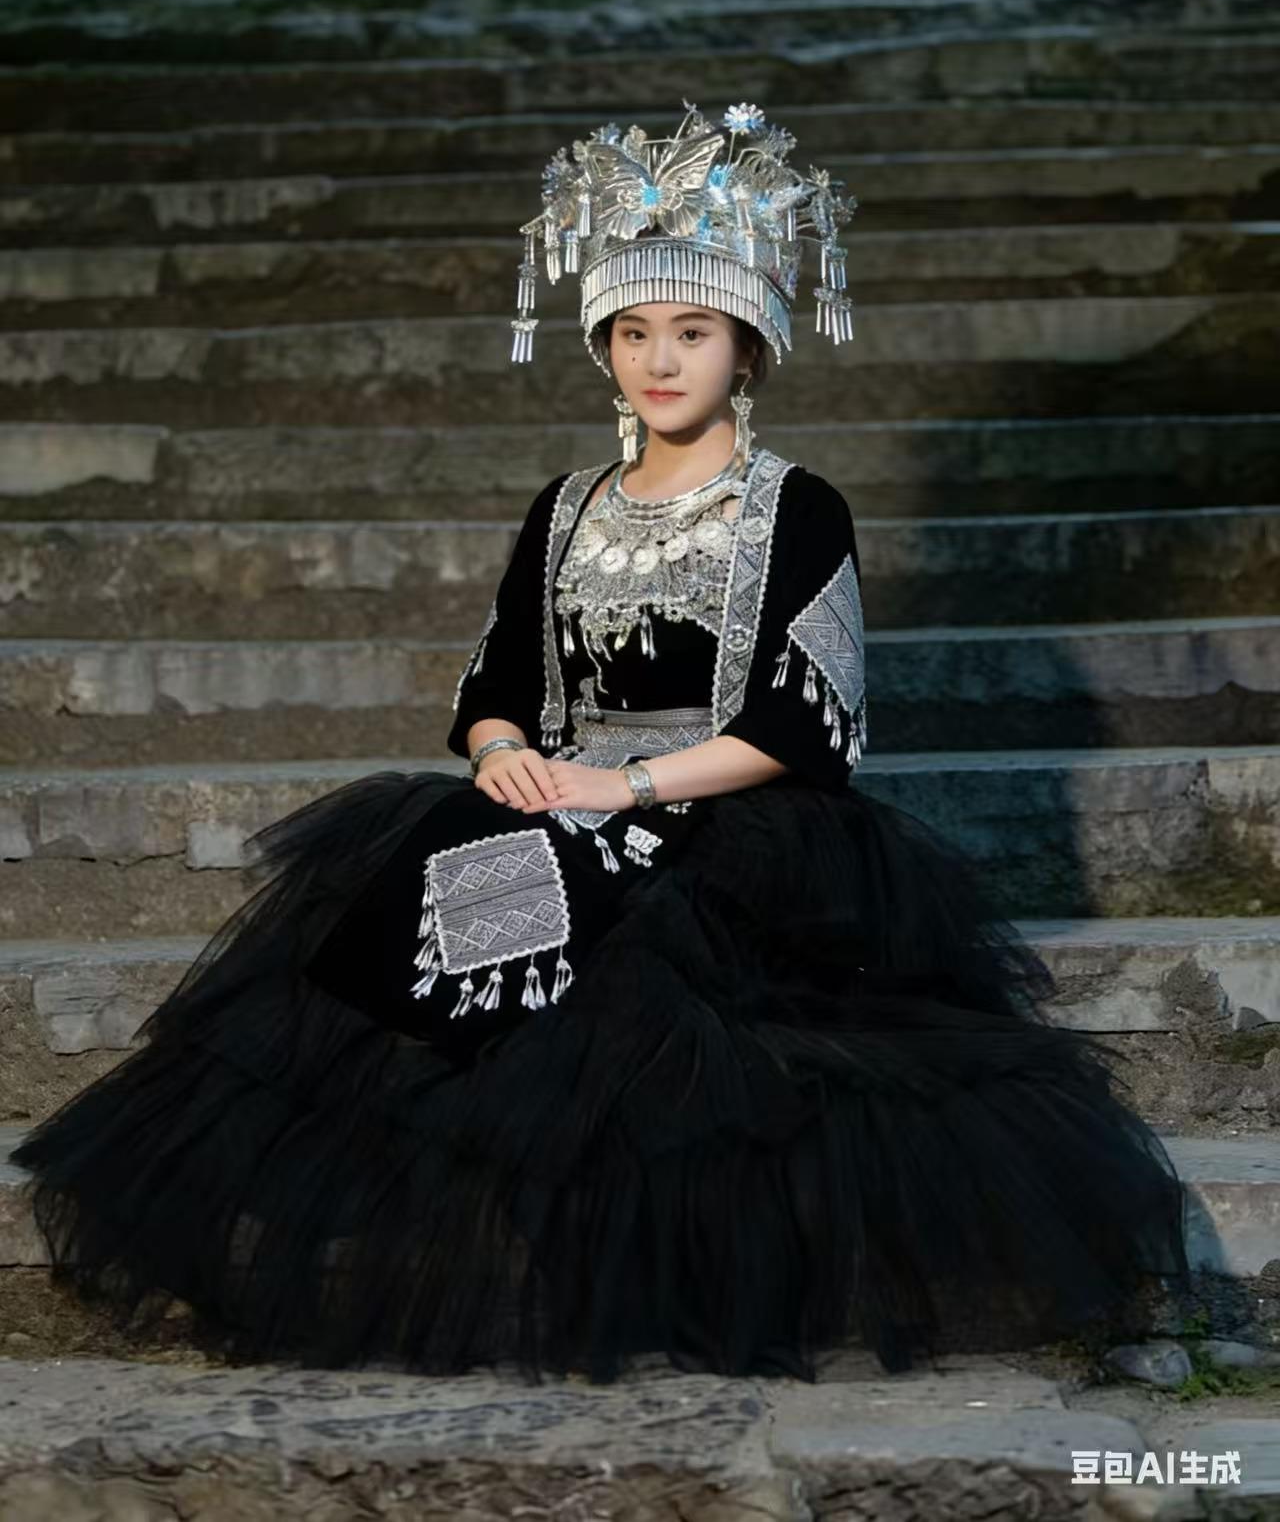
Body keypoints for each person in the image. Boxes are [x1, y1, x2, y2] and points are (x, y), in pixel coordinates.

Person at [13, 99, 1190, 1385]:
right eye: (633, 332)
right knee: (410, 909)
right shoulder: (565, 505)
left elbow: (802, 724)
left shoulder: (795, 508)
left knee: (632, 984)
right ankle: (421, 1238)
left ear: (747, 346)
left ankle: (627, 1263)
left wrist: (620, 784)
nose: (657, 361)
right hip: (557, 798)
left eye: (690, 332)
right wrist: (500, 755)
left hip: (727, 821)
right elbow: (496, 683)